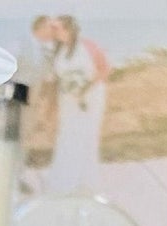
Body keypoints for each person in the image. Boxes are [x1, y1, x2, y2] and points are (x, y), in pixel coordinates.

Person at [45, 14, 109, 196]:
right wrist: (52, 106)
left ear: (69, 30)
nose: (55, 32)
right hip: (67, 99)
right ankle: (65, 180)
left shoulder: (88, 45)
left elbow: (104, 69)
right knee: (67, 136)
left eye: (58, 29)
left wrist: (84, 89)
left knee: (87, 136)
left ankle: (87, 181)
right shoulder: (57, 50)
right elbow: (55, 79)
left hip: (90, 97)